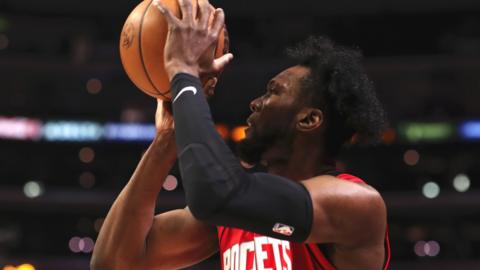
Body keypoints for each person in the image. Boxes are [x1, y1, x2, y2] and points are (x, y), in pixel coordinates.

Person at [91, 0, 390, 269]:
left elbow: (219, 195)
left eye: (273, 91)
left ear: (309, 119)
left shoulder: (357, 205)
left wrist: (183, 72)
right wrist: (166, 140)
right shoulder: (237, 213)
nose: (255, 102)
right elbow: (114, 262)